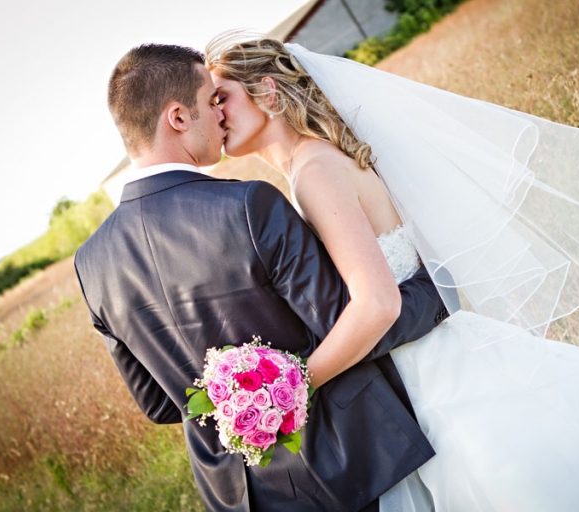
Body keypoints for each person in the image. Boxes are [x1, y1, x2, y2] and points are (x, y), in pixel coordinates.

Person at [205, 34, 579, 511]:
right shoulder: (313, 164)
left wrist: (293, 387)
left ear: (268, 91)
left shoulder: (315, 170)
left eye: (220, 95)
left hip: (437, 379)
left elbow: (378, 304)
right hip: (436, 360)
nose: (215, 111)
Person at [74, 43, 448, 512]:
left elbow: (161, 404)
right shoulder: (248, 207)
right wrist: (434, 289)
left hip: (234, 497)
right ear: (177, 118)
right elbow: (347, 322)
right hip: (339, 469)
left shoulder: (90, 265)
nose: (219, 115)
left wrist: (234, 409)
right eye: (211, 101)